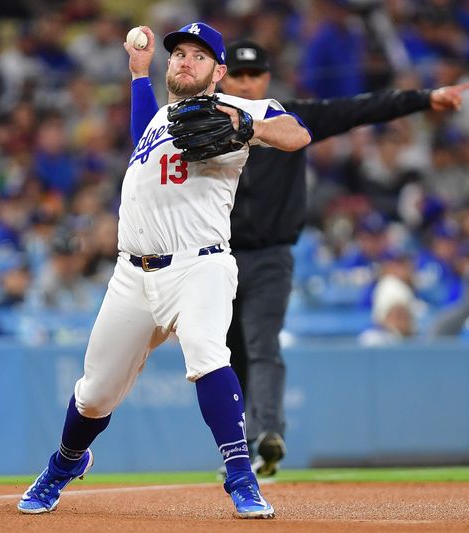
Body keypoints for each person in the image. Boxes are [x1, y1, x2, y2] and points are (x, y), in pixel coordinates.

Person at [17, 22, 311, 519]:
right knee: (94, 395)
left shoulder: (240, 108)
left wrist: (249, 128)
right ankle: (65, 462)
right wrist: (137, 75)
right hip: (132, 276)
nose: (184, 61)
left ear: (219, 71)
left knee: (207, 354)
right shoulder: (160, 120)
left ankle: (242, 478)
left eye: (199, 55)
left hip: (200, 266)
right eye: (178, 54)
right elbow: (141, 143)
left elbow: (297, 134)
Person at [218, 40, 469, 476]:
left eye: (254, 74)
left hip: (271, 256)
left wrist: (423, 98)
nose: (246, 83)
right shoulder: (202, 122)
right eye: (238, 75)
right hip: (217, 258)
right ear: (224, 77)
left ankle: (266, 437)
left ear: (265, 78)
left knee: (262, 346)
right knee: (228, 357)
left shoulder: (291, 116)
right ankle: (237, 450)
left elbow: (360, 109)